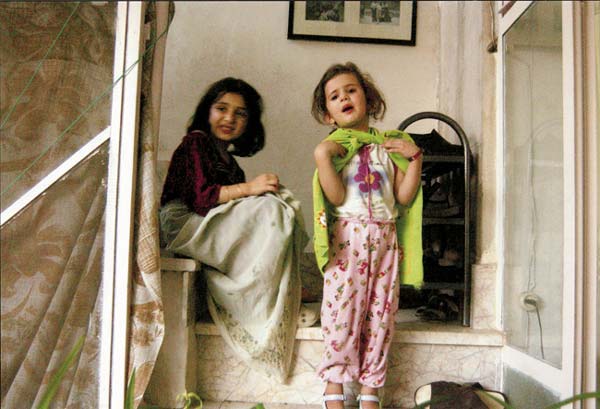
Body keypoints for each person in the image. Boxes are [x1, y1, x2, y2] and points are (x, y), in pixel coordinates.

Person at [160, 77, 308, 382]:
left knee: (282, 206)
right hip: (184, 221)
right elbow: (202, 199)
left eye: (240, 113)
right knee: (269, 209)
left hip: (207, 219)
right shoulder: (195, 143)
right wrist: (250, 188)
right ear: (207, 111)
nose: (229, 118)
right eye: (222, 108)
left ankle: (278, 294)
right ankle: (263, 302)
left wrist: (258, 191)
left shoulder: (230, 162)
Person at [311, 62, 423, 409]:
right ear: (328, 115)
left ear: (368, 99)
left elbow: (403, 196)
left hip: (385, 239)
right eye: (334, 96)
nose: (344, 98)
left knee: (381, 314)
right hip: (348, 239)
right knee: (341, 314)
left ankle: (370, 390)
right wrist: (322, 156)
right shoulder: (335, 148)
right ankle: (334, 385)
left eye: (351, 90)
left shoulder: (390, 146)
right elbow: (335, 198)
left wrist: (415, 159)